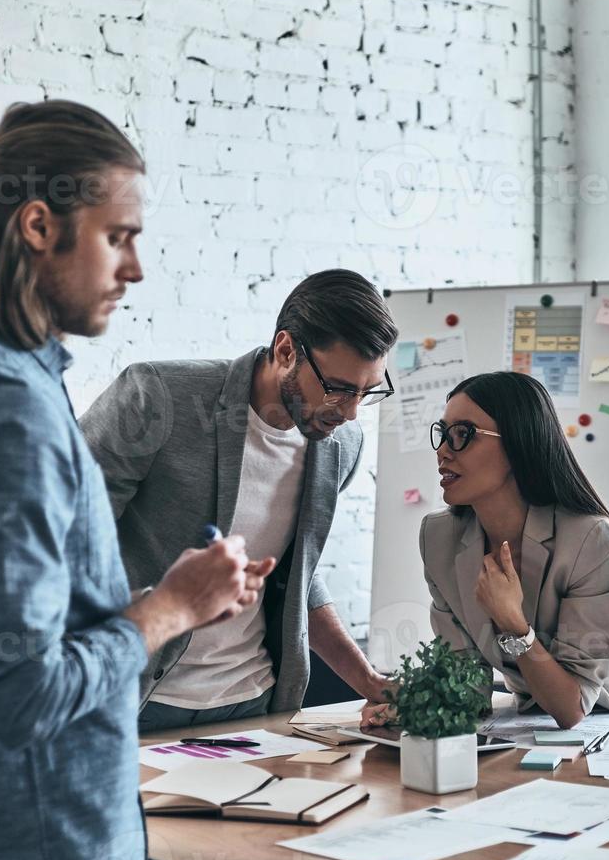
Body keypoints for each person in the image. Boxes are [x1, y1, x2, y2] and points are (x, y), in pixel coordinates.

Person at [0, 101, 268, 860]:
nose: (135, 268)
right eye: (118, 236)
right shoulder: (3, 407)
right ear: (37, 226)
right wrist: (173, 608)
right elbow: (22, 693)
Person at [82, 269, 399, 731]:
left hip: (255, 704)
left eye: (367, 392)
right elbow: (61, 545)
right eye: (338, 388)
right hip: (134, 700)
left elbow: (297, 577)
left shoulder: (339, 446)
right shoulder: (158, 398)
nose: (350, 412)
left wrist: (368, 680)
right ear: (286, 349)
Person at [364, 371, 609, 729]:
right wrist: (417, 703)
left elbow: (572, 706)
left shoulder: (590, 539)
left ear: (517, 444)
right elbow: (468, 685)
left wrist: (513, 624)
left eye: (463, 435)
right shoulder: (438, 537)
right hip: (543, 725)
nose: (443, 451)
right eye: (442, 434)